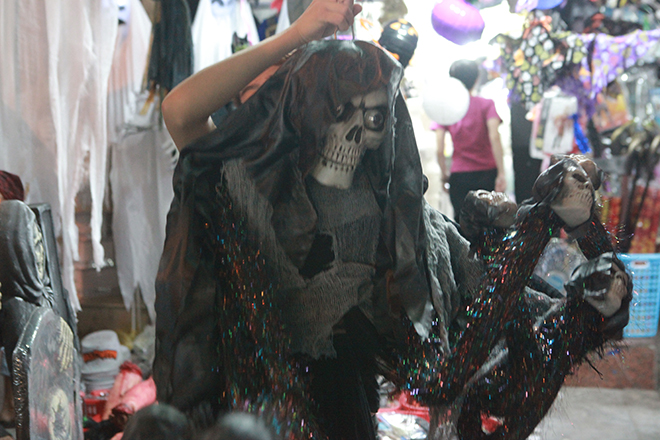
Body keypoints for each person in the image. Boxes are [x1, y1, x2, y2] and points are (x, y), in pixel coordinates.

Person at [154, 1, 630, 439]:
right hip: (259, 407)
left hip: (346, 401)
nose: (353, 134)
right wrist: (295, 36)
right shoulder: (247, 185)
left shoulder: (384, 206)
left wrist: (571, 266)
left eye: (373, 118)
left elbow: (480, 304)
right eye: (341, 111)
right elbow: (179, 111)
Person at [434, 59, 506, 223]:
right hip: (487, 173)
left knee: (463, 225)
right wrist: (501, 172)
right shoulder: (486, 105)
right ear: (476, 79)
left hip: (459, 176)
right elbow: (494, 137)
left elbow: (439, 148)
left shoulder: (446, 109)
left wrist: (444, 174)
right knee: (488, 223)